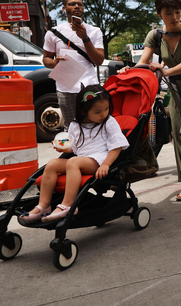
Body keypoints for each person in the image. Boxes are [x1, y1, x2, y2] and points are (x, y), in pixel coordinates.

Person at [118, 0, 181, 201]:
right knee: (178, 138)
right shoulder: (154, 35)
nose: (174, 16)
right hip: (175, 90)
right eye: (168, 12)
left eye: (178, 11)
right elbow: (143, 62)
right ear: (159, 14)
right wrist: (128, 71)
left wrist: (166, 71)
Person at [18, 85, 129, 223]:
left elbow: (117, 146)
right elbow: (75, 147)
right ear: (83, 111)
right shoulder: (75, 125)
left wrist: (106, 164)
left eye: (106, 109)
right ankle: (44, 205)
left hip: (99, 160)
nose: (103, 114)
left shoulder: (109, 122)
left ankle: (67, 205)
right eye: (98, 111)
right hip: (81, 160)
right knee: (52, 164)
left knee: (73, 162)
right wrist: (65, 149)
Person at [43, 0, 105, 131]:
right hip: (66, 85)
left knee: (94, 124)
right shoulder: (53, 33)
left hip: (89, 83)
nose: (77, 6)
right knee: (71, 127)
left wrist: (85, 38)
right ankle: (73, 152)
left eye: (80, 4)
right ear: (64, 9)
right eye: (72, 4)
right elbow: (46, 59)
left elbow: (99, 60)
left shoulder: (94, 31)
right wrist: (55, 63)